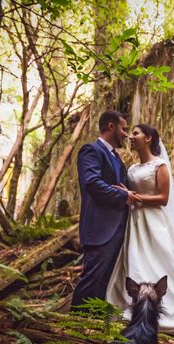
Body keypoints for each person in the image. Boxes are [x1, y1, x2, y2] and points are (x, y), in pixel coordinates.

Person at [106, 124, 174, 334]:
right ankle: (137, 305)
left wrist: (134, 197)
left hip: (153, 220)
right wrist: (126, 193)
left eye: (136, 134)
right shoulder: (131, 169)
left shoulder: (159, 166)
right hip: (135, 220)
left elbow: (163, 198)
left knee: (162, 257)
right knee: (134, 257)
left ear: (148, 138)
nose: (131, 137)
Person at [70, 110, 139, 311]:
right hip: (99, 228)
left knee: (104, 282)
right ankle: (73, 328)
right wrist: (124, 197)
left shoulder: (115, 157)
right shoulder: (91, 150)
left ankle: (93, 327)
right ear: (111, 126)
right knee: (91, 279)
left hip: (117, 228)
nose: (126, 135)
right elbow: (92, 183)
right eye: (124, 129)